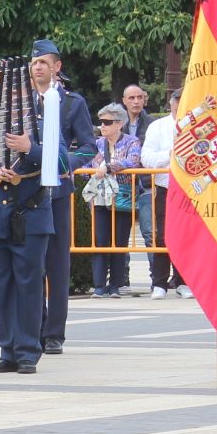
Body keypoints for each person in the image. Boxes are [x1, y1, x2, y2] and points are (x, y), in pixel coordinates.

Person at [0, 83, 51, 376]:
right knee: (1, 288)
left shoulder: (45, 124)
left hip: (29, 216)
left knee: (28, 286)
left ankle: (27, 351)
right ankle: (7, 349)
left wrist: (31, 148)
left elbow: (64, 161)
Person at [26, 41, 92, 353]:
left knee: (56, 263)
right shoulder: (21, 102)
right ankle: (34, 327)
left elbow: (88, 146)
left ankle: (55, 333)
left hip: (57, 192)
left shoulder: (72, 103)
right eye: (34, 62)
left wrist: (68, 164)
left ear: (57, 67)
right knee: (31, 262)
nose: (37, 67)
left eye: (43, 62)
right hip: (26, 191)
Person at [88, 104, 140, 298]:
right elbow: (87, 164)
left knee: (119, 242)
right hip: (100, 198)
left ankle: (115, 285)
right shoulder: (97, 143)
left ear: (119, 124)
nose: (102, 126)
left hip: (122, 197)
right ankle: (99, 285)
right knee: (100, 240)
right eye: (101, 122)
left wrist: (109, 167)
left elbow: (133, 161)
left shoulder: (131, 142)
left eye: (107, 122)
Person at [139, 92, 185, 297]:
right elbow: (146, 158)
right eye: (177, 102)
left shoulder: (202, 124)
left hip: (193, 189)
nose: (181, 106)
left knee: (188, 237)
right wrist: (170, 153)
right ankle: (159, 282)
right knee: (161, 235)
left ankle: (184, 281)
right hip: (166, 188)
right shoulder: (157, 127)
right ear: (171, 103)